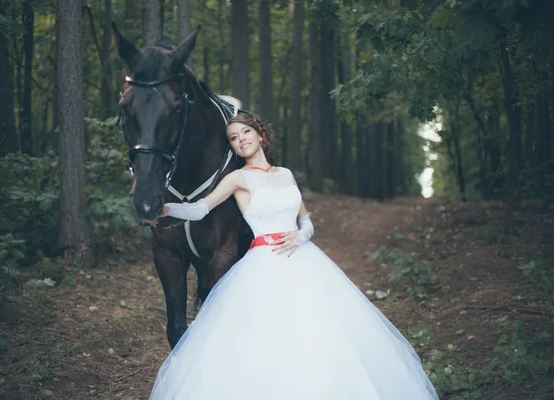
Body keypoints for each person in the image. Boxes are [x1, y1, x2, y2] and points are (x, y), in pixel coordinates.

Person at [148, 114, 438, 400]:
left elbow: (306, 221)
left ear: (260, 135)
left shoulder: (285, 174)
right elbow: (200, 209)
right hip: (263, 263)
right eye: (233, 139)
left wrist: (300, 236)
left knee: (319, 328)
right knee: (266, 332)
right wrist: (165, 209)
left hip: (303, 259)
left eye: (245, 133)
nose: (240, 141)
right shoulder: (237, 178)